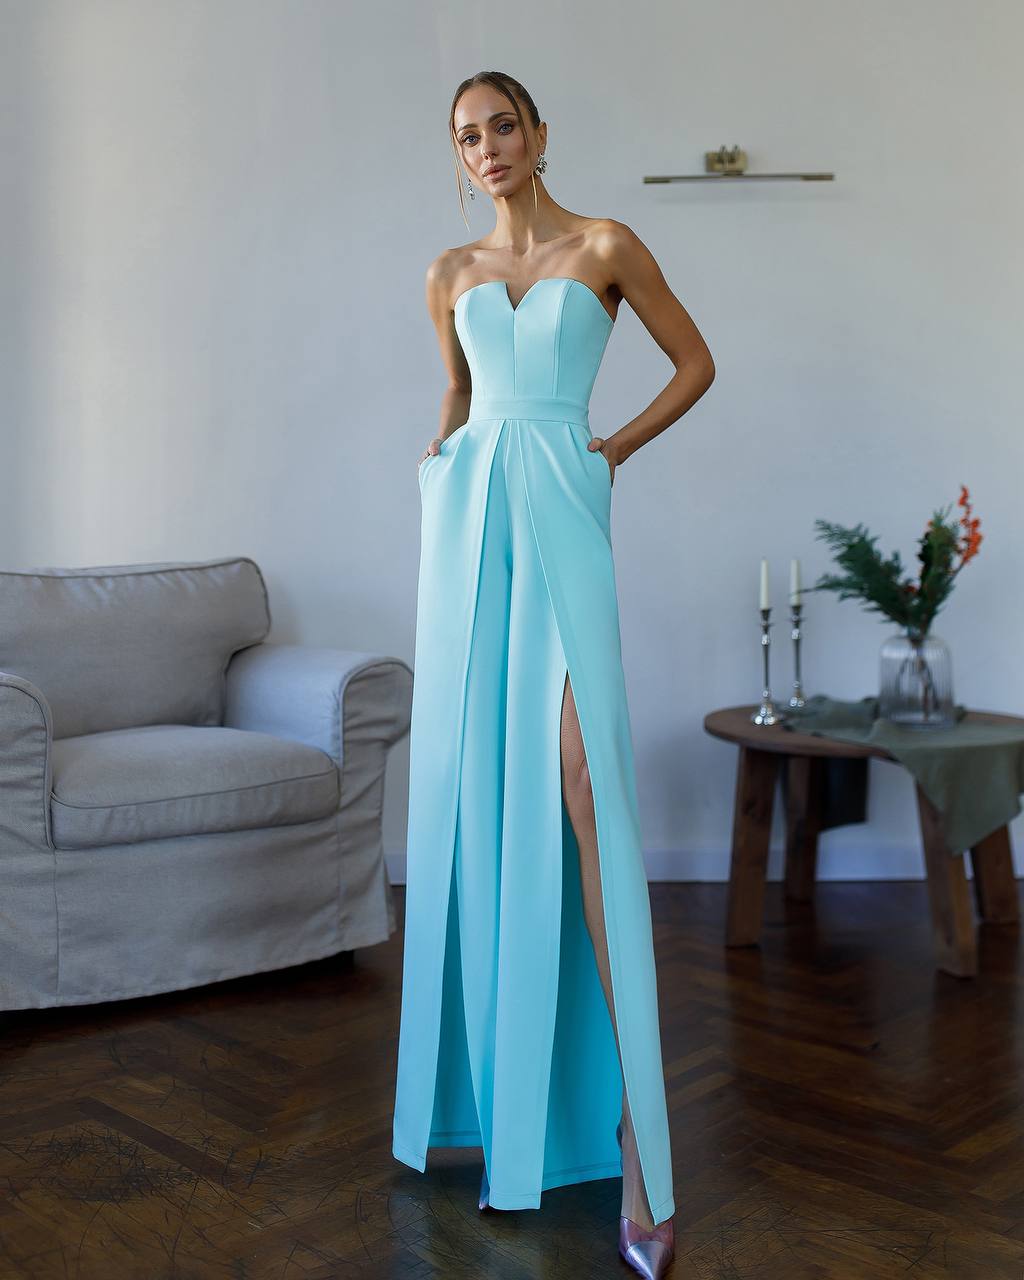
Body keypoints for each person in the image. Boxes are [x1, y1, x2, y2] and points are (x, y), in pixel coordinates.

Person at [392, 70, 715, 1279]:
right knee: (482, 799)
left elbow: (694, 362)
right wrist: (440, 450)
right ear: (460, 154)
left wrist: (606, 453)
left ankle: (641, 1138)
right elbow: (465, 392)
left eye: (504, 127)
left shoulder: (606, 244)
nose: (488, 149)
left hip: (564, 517)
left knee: (585, 789)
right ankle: (497, 1109)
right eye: (468, 137)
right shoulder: (448, 274)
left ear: (538, 133)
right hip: (471, 531)